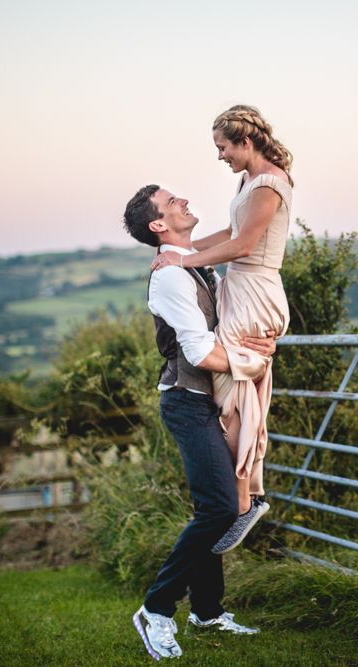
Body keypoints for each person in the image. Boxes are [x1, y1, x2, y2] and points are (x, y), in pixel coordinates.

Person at [123, 184, 276, 660]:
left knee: (216, 506)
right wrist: (253, 362)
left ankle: (207, 612)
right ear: (158, 226)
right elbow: (198, 352)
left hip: (206, 401)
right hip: (186, 402)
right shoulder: (169, 277)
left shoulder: (193, 260)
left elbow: (238, 235)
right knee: (218, 510)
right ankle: (156, 609)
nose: (183, 201)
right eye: (172, 203)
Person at [151, 105, 293, 554]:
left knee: (232, 394)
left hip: (255, 290)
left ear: (244, 143)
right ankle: (247, 494)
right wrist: (181, 252)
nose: (220, 156)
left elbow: (246, 244)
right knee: (235, 395)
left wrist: (183, 259)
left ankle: (244, 500)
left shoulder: (271, 182)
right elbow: (231, 230)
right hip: (243, 288)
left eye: (222, 147)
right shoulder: (249, 180)